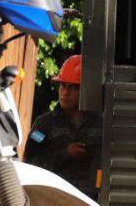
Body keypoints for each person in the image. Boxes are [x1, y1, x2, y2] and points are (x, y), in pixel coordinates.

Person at [25, 55, 103, 199]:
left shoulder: (101, 124)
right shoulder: (44, 125)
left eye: (74, 87)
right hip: (53, 199)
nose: (65, 93)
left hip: (90, 200)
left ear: (86, 90)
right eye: (63, 86)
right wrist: (65, 154)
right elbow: (30, 165)